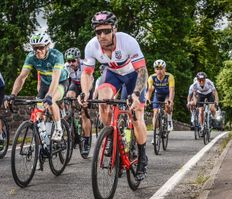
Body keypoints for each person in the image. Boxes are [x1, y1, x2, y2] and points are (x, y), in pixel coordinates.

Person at [78, 11, 148, 181]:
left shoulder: (128, 41)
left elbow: (142, 71)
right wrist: (85, 93)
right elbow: (87, 73)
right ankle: (110, 134)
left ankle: (142, 156)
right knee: (103, 100)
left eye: (106, 31)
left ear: (114, 29)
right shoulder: (91, 46)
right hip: (113, 74)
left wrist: (137, 94)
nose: (102, 35)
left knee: (136, 115)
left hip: (133, 75)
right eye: (98, 32)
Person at [6, 32, 69, 142]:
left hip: (60, 82)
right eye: (35, 48)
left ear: (47, 46)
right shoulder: (31, 57)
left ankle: (59, 129)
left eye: (40, 47)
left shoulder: (56, 55)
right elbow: (22, 77)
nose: (38, 51)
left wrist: (49, 96)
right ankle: (44, 137)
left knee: (51, 100)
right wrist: (13, 94)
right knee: (39, 110)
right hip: (45, 83)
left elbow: (55, 78)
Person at [64, 47, 93, 156]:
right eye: (68, 61)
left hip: (87, 84)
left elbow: (89, 82)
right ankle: (70, 118)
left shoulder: (85, 65)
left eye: (73, 61)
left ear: (78, 59)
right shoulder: (65, 66)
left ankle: (86, 141)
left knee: (84, 114)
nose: (71, 63)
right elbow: (61, 80)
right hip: (75, 84)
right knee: (68, 96)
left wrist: (85, 94)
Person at [146, 59, 175, 132]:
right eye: (157, 69)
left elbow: (171, 89)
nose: (159, 71)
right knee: (155, 112)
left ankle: (169, 120)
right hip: (157, 94)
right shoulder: (151, 78)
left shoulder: (169, 77)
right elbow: (149, 90)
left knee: (167, 105)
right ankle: (155, 134)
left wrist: (170, 100)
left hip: (167, 94)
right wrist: (147, 99)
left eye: (161, 68)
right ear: (155, 70)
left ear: (165, 69)